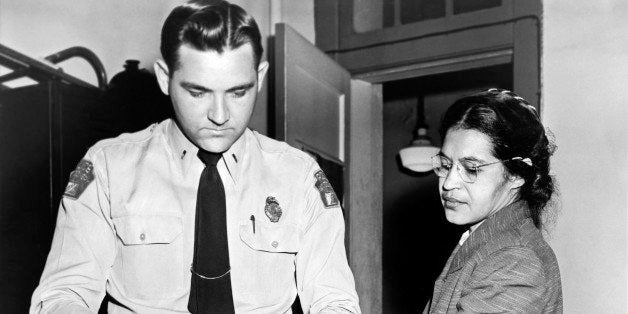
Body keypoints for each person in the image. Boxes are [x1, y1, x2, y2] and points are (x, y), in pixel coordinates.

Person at [30, 1, 360, 313]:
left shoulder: (300, 177)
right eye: (198, 92)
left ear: (259, 77)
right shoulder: (107, 168)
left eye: (238, 91)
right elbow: (65, 293)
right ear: (164, 77)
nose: (219, 115)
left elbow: (334, 300)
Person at [424, 88, 562, 313]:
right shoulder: (484, 242)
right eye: (446, 165)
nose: (448, 183)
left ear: (516, 174)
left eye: (471, 169)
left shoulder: (516, 261)